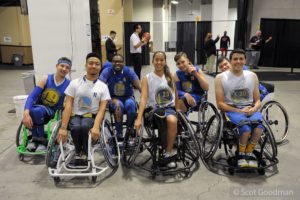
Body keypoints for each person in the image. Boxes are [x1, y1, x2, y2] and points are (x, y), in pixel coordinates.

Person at [57, 52, 110, 164]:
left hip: (91, 116)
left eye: (97, 64)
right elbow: (68, 105)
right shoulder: (74, 83)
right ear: (85, 65)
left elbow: (102, 109)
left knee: (85, 126)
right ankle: (78, 152)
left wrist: (96, 127)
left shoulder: (103, 87)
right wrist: (63, 128)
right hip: (75, 115)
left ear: (100, 67)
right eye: (91, 63)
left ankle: (84, 153)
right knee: (76, 127)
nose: (94, 66)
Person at [215, 49, 264, 168]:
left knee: (259, 127)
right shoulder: (220, 78)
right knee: (246, 128)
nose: (238, 61)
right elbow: (220, 104)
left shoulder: (252, 76)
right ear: (230, 61)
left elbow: (258, 101)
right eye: (235, 59)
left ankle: (249, 153)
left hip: (249, 108)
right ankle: (241, 154)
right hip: (232, 109)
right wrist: (239, 111)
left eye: (241, 59)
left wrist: (254, 109)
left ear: (245, 60)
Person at [134, 51, 177, 168]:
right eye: (156, 60)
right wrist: (138, 118)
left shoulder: (170, 77)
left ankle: (168, 151)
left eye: (161, 60)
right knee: (159, 114)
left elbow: (176, 96)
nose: (159, 62)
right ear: (152, 61)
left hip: (168, 108)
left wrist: (179, 109)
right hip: (153, 109)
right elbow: (143, 99)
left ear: (165, 61)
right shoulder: (147, 78)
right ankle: (163, 147)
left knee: (173, 121)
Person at [23, 57, 71, 151]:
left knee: (36, 111)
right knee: (33, 110)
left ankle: (38, 140)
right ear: (57, 66)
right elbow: (32, 96)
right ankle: (36, 140)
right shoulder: (46, 79)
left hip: (52, 111)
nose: (64, 69)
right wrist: (26, 112)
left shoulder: (69, 84)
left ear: (69, 70)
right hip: (39, 107)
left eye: (67, 67)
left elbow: (69, 103)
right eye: (62, 66)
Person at [99, 54, 141, 139]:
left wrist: (145, 98)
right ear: (112, 63)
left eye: (120, 62)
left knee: (130, 104)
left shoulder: (128, 71)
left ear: (123, 63)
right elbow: (99, 86)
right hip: (113, 98)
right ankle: (119, 133)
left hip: (128, 97)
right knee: (119, 106)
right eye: (115, 61)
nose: (117, 63)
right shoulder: (107, 71)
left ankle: (130, 129)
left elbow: (138, 85)